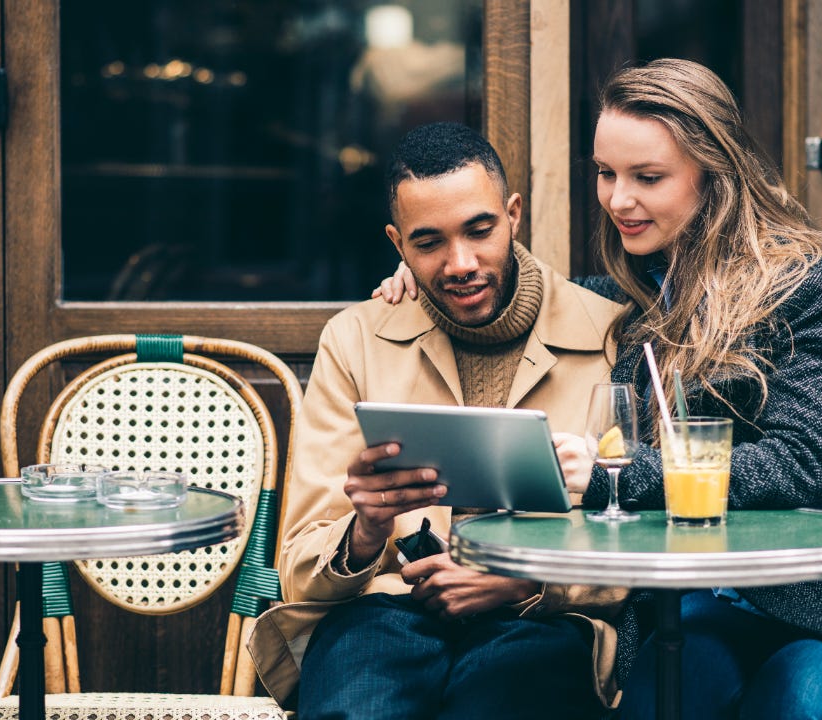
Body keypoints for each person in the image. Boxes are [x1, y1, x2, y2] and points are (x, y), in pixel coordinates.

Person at [374, 60, 822, 720]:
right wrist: (438, 259)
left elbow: (802, 468)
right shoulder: (629, 296)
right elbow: (520, 290)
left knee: (794, 702)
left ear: (713, 175)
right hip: (698, 604)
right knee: (656, 701)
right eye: (606, 173)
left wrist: (617, 473)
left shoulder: (797, 289)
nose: (619, 199)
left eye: (648, 178)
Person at [247, 121, 628, 720]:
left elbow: (639, 533)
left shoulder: (610, 335)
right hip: (383, 610)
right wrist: (366, 531)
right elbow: (297, 570)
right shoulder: (356, 340)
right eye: (429, 243)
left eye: (479, 230)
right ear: (398, 245)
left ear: (514, 215)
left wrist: (524, 581)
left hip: (537, 617)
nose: (461, 263)